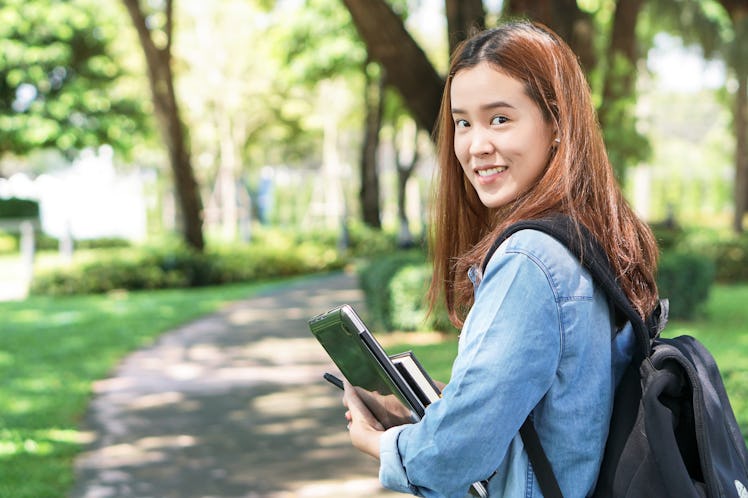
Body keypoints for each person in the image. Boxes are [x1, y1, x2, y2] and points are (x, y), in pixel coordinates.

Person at [341, 20, 659, 498]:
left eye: (500, 119)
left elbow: (453, 456)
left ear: (557, 124)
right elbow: (567, 408)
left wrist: (382, 445)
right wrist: (443, 408)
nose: (476, 145)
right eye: (463, 122)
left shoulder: (530, 259)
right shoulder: (589, 237)